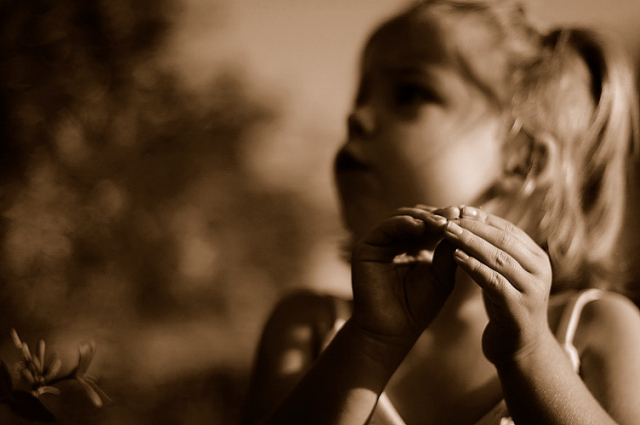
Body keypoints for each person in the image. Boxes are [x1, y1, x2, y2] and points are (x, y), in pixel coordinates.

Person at [241, 0, 640, 423]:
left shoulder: (599, 327)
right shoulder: (308, 327)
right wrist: (370, 342)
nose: (356, 117)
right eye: (362, 95)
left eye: (410, 93)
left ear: (523, 162)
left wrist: (531, 353)